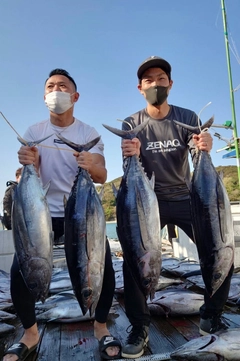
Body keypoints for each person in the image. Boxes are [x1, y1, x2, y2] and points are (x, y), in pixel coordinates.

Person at [3, 69, 121, 361]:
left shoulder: (88, 134)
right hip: (42, 215)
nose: (57, 91)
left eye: (63, 86)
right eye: (51, 87)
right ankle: (30, 334)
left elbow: (102, 175)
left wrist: (89, 163)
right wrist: (27, 162)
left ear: (74, 96)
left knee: (103, 269)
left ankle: (101, 327)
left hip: (80, 213)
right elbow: (34, 170)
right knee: (20, 271)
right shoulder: (34, 132)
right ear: (45, 97)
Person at [120, 56, 233, 359]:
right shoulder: (131, 123)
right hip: (148, 202)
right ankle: (139, 327)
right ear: (139, 87)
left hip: (186, 197)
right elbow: (130, 167)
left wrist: (203, 145)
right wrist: (129, 153)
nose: (155, 84)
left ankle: (211, 314)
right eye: (148, 80)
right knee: (132, 262)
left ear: (170, 84)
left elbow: (197, 153)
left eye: (160, 79)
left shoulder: (186, 116)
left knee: (222, 252)